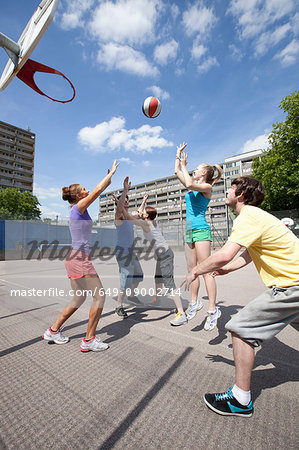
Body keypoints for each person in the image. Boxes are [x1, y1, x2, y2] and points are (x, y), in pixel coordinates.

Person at [182, 176, 299, 417]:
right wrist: (227, 269)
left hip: (292, 286)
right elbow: (248, 254)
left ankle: (240, 399)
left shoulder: (248, 216)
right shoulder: (256, 217)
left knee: (240, 328)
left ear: (242, 196)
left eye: (232, 188)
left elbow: (225, 253)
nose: (227, 191)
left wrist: (195, 269)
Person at [42, 160, 119, 352]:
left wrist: (108, 180)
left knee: (79, 299)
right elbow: (96, 191)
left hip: (74, 258)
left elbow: (98, 190)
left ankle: (53, 331)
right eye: (83, 189)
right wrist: (110, 176)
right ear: (78, 195)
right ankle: (89, 340)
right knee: (100, 296)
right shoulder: (79, 207)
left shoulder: (77, 210)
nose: (86, 190)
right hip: (80, 259)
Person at [119, 177, 187, 326]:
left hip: (165, 255)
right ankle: (157, 298)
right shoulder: (152, 221)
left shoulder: (146, 224)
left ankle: (181, 313)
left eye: (143, 212)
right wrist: (144, 200)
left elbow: (130, 216)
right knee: (158, 278)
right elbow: (139, 211)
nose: (141, 212)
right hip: (162, 254)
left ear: (146, 216)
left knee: (169, 283)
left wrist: (119, 205)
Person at [175, 142, 222, 330]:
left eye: (197, 169)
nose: (193, 170)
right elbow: (177, 172)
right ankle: (194, 302)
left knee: (206, 270)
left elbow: (187, 181)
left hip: (201, 230)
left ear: (204, 174)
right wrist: (178, 156)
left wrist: (185, 166)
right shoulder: (193, 186)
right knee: (191, 269)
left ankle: (213, 309)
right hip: (188, 230)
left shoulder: (207, 188)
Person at [112, 182, 144, 319]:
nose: (126, 201)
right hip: (122, 253)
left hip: (131, 252)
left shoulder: (129, 217)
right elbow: (120, 209)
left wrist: (144, 200)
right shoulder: (119, 217)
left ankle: (131, 296)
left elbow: (140, 214)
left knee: (139, 275)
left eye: (127, 200)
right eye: (123, 200)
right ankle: (119, 306)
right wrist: (124, 191)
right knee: (125, 279)